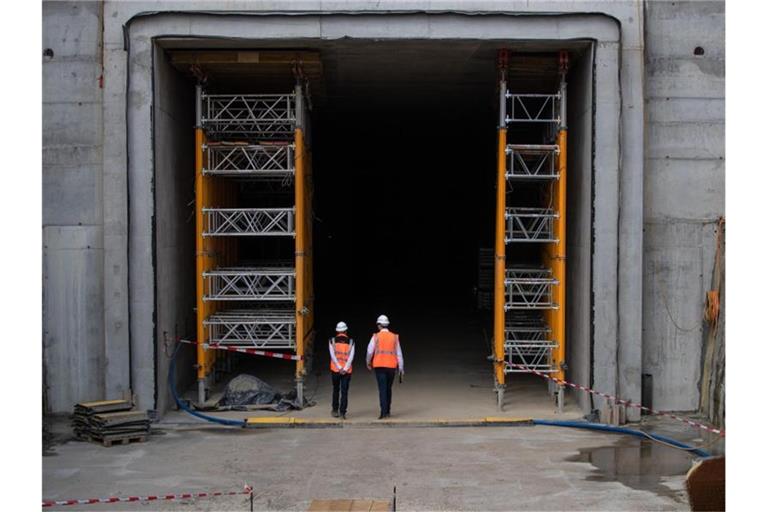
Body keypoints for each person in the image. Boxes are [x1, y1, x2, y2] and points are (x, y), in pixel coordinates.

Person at [366, 314, 404, 419]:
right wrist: (401, 368)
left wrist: (368, 362)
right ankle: (388, 411)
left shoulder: (375, 336)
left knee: (382, 389)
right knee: (388, 388)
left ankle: (383, 413)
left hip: (379, 366)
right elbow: (399, 353)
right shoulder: (394, 337)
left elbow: (369, 351)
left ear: (379, 325)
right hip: (391, 367)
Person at [329, 321, 354, 419]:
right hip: (347, 371)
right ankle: (343, 412)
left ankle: (335, 410)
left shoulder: (332, 340)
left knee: (336, 389)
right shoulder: (351, 341)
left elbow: (332, 355)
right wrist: (345, 368)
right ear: (346, 331)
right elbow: (351, 357)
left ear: (337, 331)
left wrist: (339, 367)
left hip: (335, 370)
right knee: (344, 392)